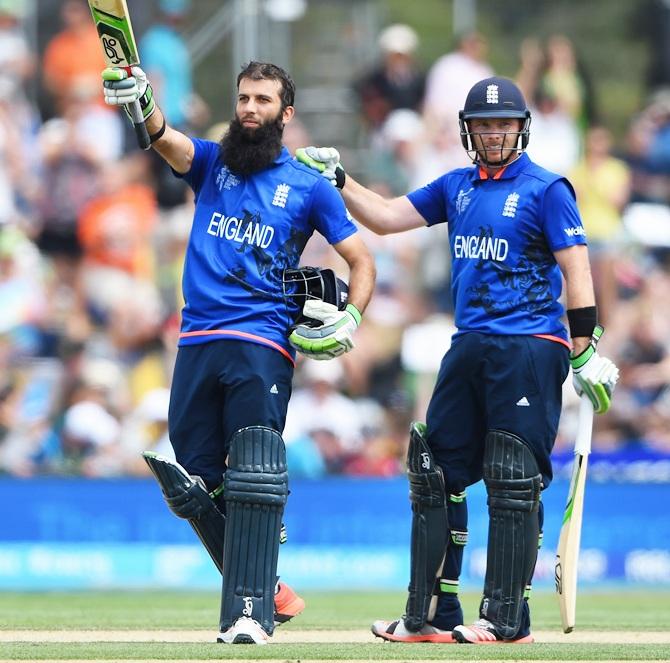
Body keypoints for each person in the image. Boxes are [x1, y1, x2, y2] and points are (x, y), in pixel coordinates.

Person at [296, 76, 619, 644]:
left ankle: (506, 618)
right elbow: (389, 216)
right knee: (434, 471)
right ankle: (431, 615)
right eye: (484, 125)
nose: (494, 134)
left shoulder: (548, 189)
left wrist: (586, 345)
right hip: (469, 341)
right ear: (468, 131)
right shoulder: (457, 186)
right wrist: (339, 180)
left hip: (529, 344)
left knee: (512, 479)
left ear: (521, 129)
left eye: (504, 124)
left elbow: (577, 270)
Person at [100, 60, 376, 644]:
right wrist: (141, 100)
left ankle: (249, 615)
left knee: (252, 469)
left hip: (262, 341)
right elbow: (164, 139)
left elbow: (363, 260)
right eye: (244, 98)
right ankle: (270, 587)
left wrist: (352, 315)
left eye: (263, 100)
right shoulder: (214, 162)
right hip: (198, 337)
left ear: (286, 113)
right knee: (198, 480)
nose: (250, 109)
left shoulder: (308, 186)